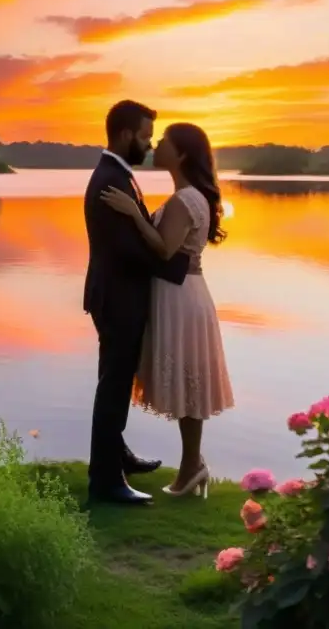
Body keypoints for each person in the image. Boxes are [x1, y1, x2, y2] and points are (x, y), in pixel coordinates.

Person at [100, 121, 234, 499]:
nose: (155, 144)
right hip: (182, 293)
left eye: (164, 141)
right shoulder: (189, 196)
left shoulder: (185, 199)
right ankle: (194, 465)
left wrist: (133, 213)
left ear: (182, 153)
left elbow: (164, 248)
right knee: (187, 384)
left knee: (189, 383)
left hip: (181, 296)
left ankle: (192, 466)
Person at [83, 100, 191, 505]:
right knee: (113, 387)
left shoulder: (118, 175)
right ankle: (106, 481)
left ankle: (118, 456)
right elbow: (130, 249)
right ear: (127, 135)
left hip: (115, 295)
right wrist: (179, 264)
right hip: (117, 298)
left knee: (115, 382)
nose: (148, 144)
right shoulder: (111, 179)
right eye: (145, 136)